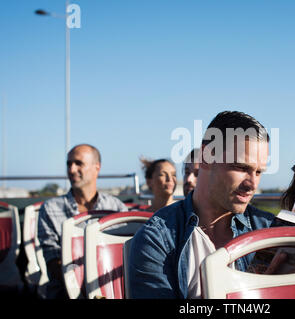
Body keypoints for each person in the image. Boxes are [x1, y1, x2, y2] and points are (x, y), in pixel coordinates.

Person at [127, 111, 275, 299]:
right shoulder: (156, 239)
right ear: (206, 157)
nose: (252, 184)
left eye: (259, 172)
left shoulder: (269, 230)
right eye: (241, 168)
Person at [37, 144, 128, 299]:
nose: (71, 170)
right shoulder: (50, 209)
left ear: (96, 168)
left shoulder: (116, 207)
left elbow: (126, 257)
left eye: (78, 163)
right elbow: (53, 263)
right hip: (65, 293)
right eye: (69, 164)